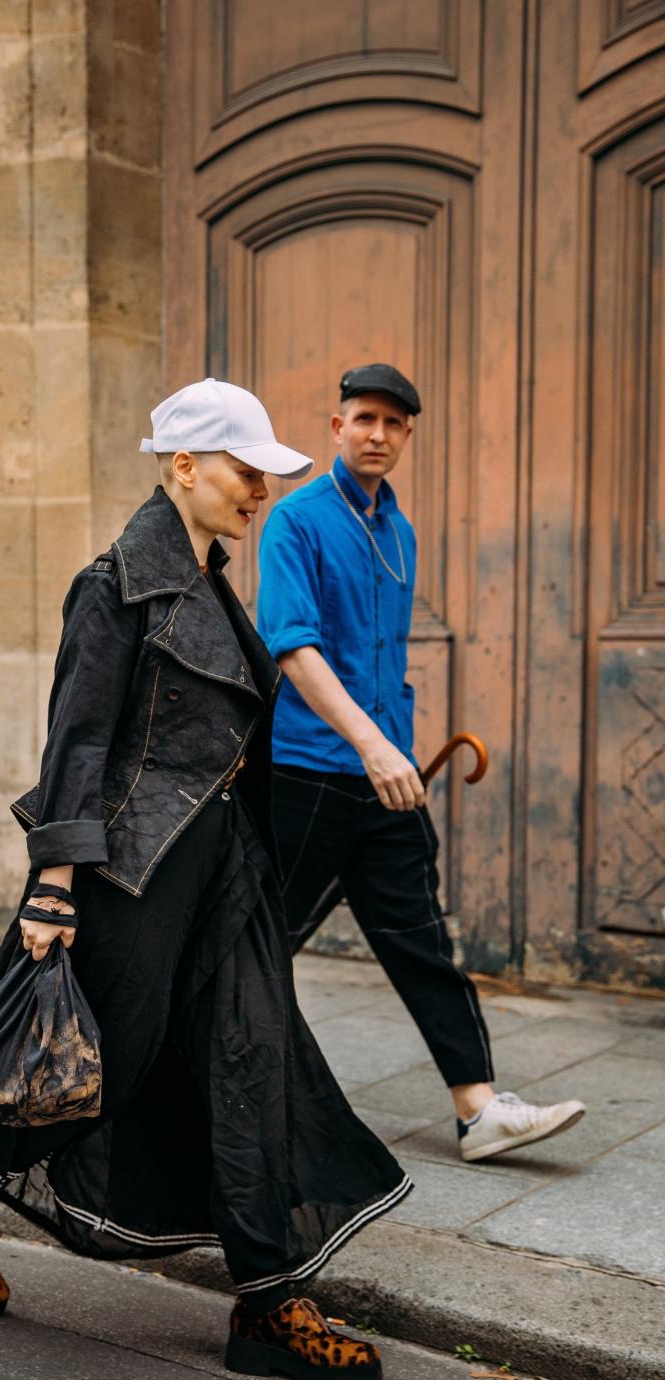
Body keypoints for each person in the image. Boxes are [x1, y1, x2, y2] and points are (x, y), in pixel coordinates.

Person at [0, 377, 413, 1380]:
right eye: (243, 469)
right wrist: (53, 885)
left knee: (255, 1061)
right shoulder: (118, 582)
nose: (260, 487)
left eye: (266, 473)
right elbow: (78, 740)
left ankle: (270, 1298)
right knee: (92, 1064)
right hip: (134, 873)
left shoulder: (211, 580)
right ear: (184, 466)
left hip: (226, 870)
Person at [257, 364, 585, 1162]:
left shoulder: (398, 532)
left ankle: (479, 1111)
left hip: (387, 776)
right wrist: (370, 742)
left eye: (394, 424)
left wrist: (391, 745)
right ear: (336, 427)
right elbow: (293, 645)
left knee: (421, 938)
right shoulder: (295, 520)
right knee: (261, 942)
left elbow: (381, 658)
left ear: (407, 435)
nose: (378, 434)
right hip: (307, 772)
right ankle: (178, 1091)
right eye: (364, 418)